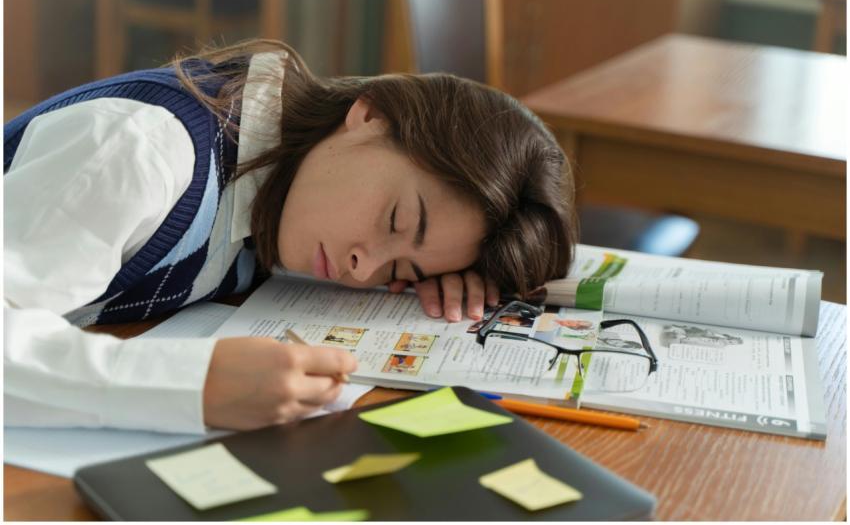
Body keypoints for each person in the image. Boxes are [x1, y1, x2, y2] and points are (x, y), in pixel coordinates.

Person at [4, 39, 577, 434]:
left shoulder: (286, 192)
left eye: (400, 272)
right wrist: (193, 386)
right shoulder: (143, 152)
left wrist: (457, 268)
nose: (361, 268)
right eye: (396, 221)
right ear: (369, 116)